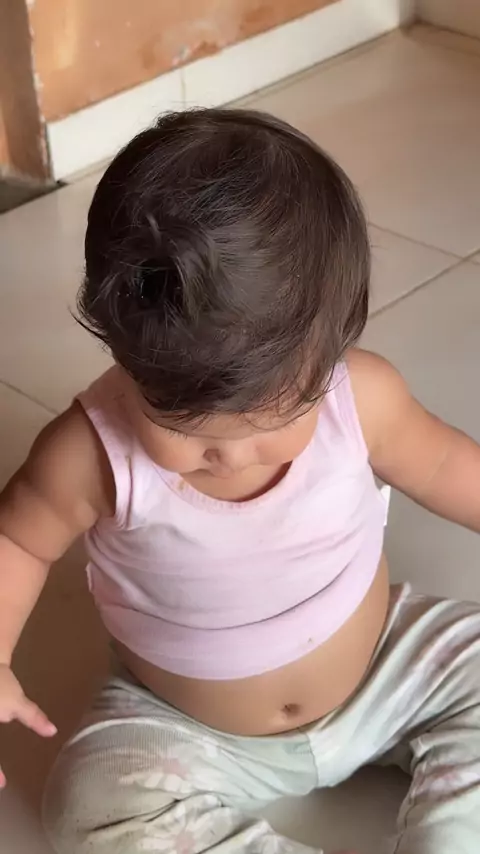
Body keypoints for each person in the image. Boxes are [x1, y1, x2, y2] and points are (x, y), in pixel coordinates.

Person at [0, 108, 480, 854]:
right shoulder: (88, 453)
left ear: (330, 349)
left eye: (270, 422)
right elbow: (18, 541)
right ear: (125, 356)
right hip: (187, 726)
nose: (228, 457)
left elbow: (445, 464)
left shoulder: (362, 396)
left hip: (384, 663)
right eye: (183, 428)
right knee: (91, 805)